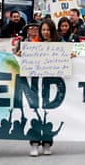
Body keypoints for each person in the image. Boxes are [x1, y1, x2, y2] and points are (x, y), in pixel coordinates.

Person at [28, 18, 60, 156]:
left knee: (48, 115)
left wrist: (71, 56)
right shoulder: (33, 45)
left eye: (48, 30)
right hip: (36, 85)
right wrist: (21, 56)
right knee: (34, 113)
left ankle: (47, 143)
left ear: (53, 31)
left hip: (51, 86)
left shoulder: (60, 45)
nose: (46, 32)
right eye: (43, 30)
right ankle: (34, 143)